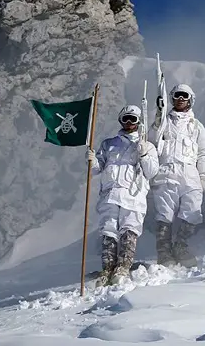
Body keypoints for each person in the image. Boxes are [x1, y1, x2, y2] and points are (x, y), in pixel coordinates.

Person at [87, 105, 158, 285]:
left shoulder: (147, 146)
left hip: (133, 195)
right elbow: (96, 170)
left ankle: (123, 267)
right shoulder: (108, 144)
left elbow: (151, 172)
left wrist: (144, 154)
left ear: (139, 121)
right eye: (125, 118)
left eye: (133, 119)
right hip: (110, 194)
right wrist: (92, 161)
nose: (129, 122)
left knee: (129, 229)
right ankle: (107, 268)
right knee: (108, 230)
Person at [149, 84, 205, 268]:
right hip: (166, 172)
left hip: (190, 173)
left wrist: (203, 175)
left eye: (184, 96)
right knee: (164, 214)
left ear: (190, 99)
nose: (181, 99)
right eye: (177, 96)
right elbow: (151, 142)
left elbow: (203, 153)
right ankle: (164, 252)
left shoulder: (197, 126)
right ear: (172, 98)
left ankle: (181, 246)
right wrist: (158, 120)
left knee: (193, 210)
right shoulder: (163, 122)